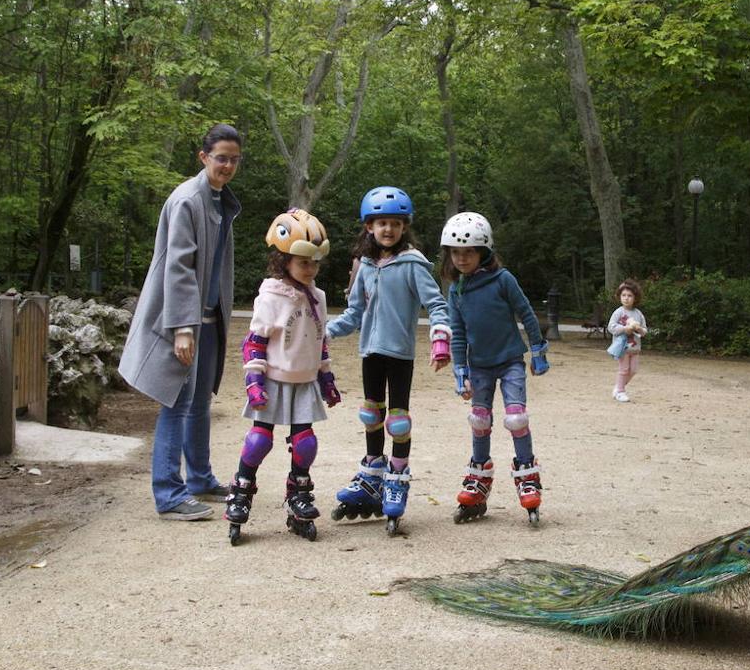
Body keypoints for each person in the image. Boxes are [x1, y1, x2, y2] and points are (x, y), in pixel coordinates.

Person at [119, 124, 242, 520]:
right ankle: (168, 494)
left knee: (200, 401)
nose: (227, 165)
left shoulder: (220, 201)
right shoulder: (187, 200)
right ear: (203, 156)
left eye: (234, 159)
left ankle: (200, 479)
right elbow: (179, 268)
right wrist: (183, 328)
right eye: (221, 157)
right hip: (183, 321)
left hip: (207, 320)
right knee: (175, 401)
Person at [327, 186, 451, 536]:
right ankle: (371, 476)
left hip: (399, 354)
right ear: (369, 226)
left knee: (397, 421)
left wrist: (440, 336)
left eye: (395, 224)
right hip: (370, 352)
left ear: (404, 227)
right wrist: (325, 332)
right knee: (370, 414)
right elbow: (354, 313)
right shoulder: (366, 265)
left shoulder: (413, 264)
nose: (388, 230)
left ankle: (397, 478)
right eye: (381, 223)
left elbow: (437, 305)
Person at [222, 209, 341, 545]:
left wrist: (326, 378)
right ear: (283, 259)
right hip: (272, 379)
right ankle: (241, 491)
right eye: (303, 261)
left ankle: (298, 494)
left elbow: (319, 341)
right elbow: (254, 343)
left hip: (304, 380)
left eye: (315, 262)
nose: (311, 269)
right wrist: (254, 382)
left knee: (306, 443)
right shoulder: (271, 295)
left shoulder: (317, 296)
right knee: (260, 439)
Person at [438, 212, 550, 527]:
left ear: (483, 252)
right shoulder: (456, 291)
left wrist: (538, 347)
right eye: (455, 252)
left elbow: (526, 312)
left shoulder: (503, 279)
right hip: (480, 366)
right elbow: (457, 332)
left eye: (469, 252)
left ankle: (527, 475)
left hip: (510, 359)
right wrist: (460, 370)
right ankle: (478, 477)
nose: (461, 258)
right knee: (479, 419)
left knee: (516, 417)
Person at [608, 279, 647, 403]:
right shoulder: (618, 312)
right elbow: (611, 327)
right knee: (624, 369)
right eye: (623, 295)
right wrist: (625, 329)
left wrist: (638, 328)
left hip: (635, 349)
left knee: (633, 370)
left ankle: (619, 387)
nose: (626, 298)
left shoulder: (638, 314)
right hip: (623, 348)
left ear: (635, 298)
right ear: (619, 297)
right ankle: (620, 392)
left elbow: (644, 331)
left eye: (630, 296)